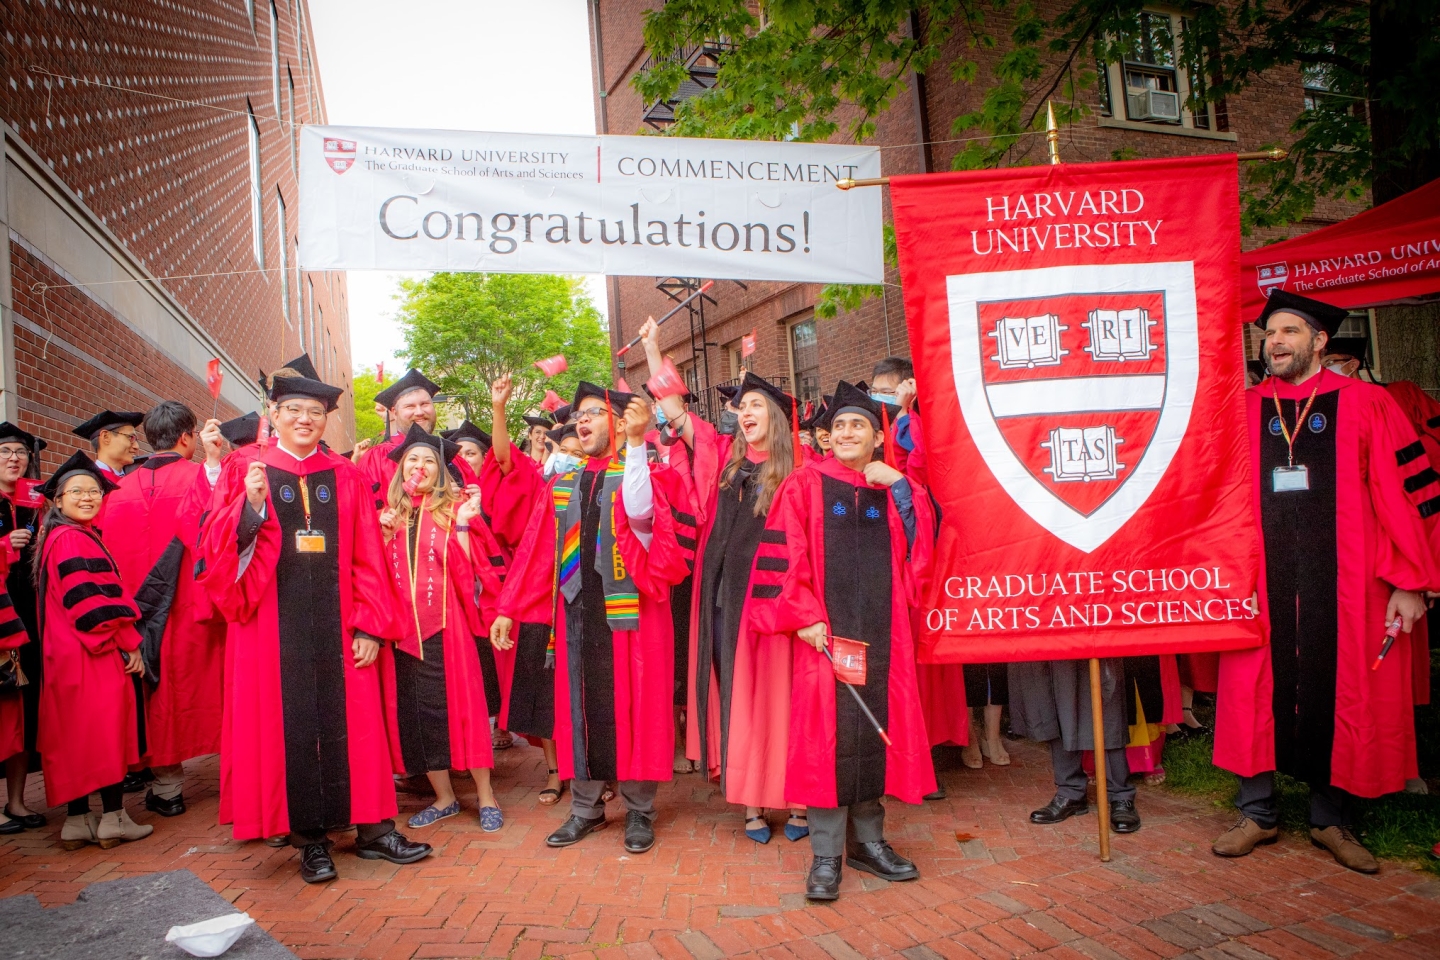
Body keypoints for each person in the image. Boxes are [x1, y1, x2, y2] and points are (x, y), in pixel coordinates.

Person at [1212, 289, 1438, 873]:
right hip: (1261, 579)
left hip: (1347, 581)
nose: (1276, 342)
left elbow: (1403, 493)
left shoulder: (1366, 404)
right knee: (1255, 684)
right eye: (1270, 333)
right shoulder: (1241, 410)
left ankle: (1331, 818)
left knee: (1344, 687)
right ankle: (1256, 813)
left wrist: (1410, 580)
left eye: (1290, 332)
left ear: (1319, 342)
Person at [198, 364, 431, 883]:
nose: (305, 419)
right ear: (274, 415)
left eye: (316, 412)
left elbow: (367, 557)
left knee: (360, 725)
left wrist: (371, 626)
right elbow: (213, 554)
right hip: (270, 629)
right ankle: (310, 839)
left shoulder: (345, 476)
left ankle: (373, 829)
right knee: (291, 729)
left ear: (326, 420)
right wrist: (250, 508)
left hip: (341, 623)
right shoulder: (246, 471)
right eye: (294, 410)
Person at [745, 381, 936, 901]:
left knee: (874, 736)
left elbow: (923, 558)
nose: (848, 433)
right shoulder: (804, 485)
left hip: (884, 635)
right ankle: (827, 855)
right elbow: (785, 556)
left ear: (877, 437)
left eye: (860, 426)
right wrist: (802, 615)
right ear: (827, 438)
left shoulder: (892, 489)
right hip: (825, 638)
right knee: (827, 742)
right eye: (841, 427)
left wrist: (899, 485)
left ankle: (869, 844)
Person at [490, 382, 692, 854]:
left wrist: (640, 446)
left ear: (621, 422)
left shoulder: (652, 476)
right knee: (578, 709)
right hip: (577, 616)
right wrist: (506, 608)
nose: (582, 421)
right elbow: (537, 552)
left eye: (594, 413)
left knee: (638, 708)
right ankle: (586, 810)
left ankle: (640, 810)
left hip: (634, 618)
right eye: (579, 415)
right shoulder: (562, 485)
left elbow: (652, 530)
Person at [638, 322, 810, 842]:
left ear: (776, 417)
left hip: (779, 607)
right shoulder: (721, 459)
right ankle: (752, 804)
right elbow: (674, 411)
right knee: (739, 696)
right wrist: (651, 351)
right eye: (743, 407)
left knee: (782, 700)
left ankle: (798, 800)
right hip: (726, 604)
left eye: (757, 405)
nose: (747, 412)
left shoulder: (802, 470)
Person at [100, 402, 227, 818]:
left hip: (138, 612)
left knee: (152, 694)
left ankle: (167, 786)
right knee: (208, 689)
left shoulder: (115, 492)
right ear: (187, 437)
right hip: (194, 608)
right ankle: (232, 776)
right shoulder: (204, 477)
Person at [379, 425, 504, 832]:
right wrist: (380, 535)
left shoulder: (456, 509)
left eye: (429, 460)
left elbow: (476, 571)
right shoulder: (389, 515)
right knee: (418, 716)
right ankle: (445, 798)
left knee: (464, 708)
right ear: (401, 469)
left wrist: (465, 525)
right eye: (413, 460)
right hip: (401, 633)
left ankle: (486, 796)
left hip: (447, 627)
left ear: (441, 470)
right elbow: (371, 574)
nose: (420, 466)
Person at [34, 450, 152, 849]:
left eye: (95, 491)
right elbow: (93, 606)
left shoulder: (57, 536)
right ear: (59, 499)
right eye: (77, 491)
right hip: (93, 653)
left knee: (75, 738)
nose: (88, 497)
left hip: (64, 655)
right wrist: (128, 645)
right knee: (105, 733)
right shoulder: (73, 540)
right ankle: (114, 819)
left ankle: (77, 821)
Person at [481, 377, 564, 802]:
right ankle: (553, 769)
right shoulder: (536, 480)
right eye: (549, 438)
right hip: (531, 583)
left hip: (575, 587)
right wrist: (499, 408)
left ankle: (587, 771)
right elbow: (502, 458)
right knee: (540, 679)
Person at [0, 423, 47, 831]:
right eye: (5, 451)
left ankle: (16, 802)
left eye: (20, 451)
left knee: (21, 713)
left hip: (26, 621)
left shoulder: (34, 503)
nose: (14, 457)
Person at [357, 369, 442, 511]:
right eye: (410, 406)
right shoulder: (377, 458)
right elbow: (362, 513)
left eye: (425, 404)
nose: (419, 412)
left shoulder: (453, 458)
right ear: (394, 413)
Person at [72, 411, 143, 480]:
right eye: (131, 437)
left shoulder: (136, 478)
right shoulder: (89, 482)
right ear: (106, 437)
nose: (136, 447)